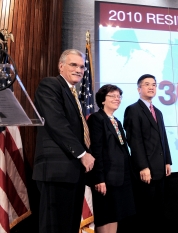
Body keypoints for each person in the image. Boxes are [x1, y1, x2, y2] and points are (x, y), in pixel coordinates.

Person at [33, 49, 95, 233]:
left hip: (73, 172)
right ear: (61, 66)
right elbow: (56, 122)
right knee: (55, 227)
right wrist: (83, 154)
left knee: (69, 226)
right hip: (56, 171)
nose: (79, 69)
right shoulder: (50, 85)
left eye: (82, 66)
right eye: (73, 65)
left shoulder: (74, 94)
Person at [123, 74, 172, 232]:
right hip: (146, 171)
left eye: (154, 84)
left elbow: (163, 138)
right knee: (146, 211)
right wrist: (143, 166)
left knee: (159, 210)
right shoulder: (133, 110)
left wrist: (167, 161)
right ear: (139, 89)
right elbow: (134, 141)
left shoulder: (157, 111)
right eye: (147, 84)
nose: (151, 87)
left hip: (160, 169)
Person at [87, 84, 135, 233]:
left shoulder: (116, 121)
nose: (117, 99)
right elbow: (96, 150)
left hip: (121, 177)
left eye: (119, 96)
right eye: (112, 96)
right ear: (102, 100)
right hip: (106, 178)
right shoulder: (96, 118)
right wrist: (99, 178)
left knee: (116, 215)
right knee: (105, 216)